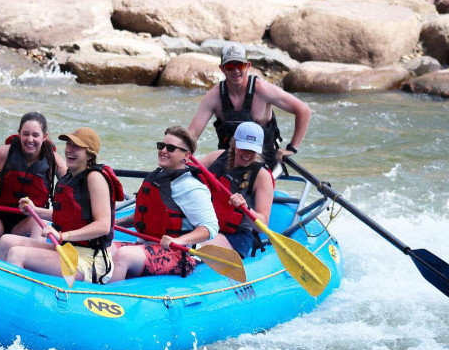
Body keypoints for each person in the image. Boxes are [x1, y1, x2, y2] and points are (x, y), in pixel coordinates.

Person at [0, 127, 123, 284]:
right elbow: (68, 216)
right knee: (6, 241)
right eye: (69, 144)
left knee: (17, 254)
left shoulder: (95, 178)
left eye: (76, 147)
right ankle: (1, 289)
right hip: (68, 249)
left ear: (89, 154)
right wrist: (35, 211)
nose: (69, 149)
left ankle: (14, 303)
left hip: (90, 260)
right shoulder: (71, 177)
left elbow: (103, 226)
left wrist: (62, 236)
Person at [109, 127, 218, 282]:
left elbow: (210, 228)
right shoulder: (158, 177)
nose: (163, 151)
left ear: (186, 155)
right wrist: (114, 223)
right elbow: (149, 215)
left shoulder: (192, 187)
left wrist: (178, 241)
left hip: (178, 254)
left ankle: (111, 300)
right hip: (147, 246)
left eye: (171, 148)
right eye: (161, 146)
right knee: (105, 248)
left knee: (123, 255)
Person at [187, 43, 311, 170]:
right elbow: (192, 134)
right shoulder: (213, 96)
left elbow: (304, 110)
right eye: (230, 66)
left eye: (240, 65)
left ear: (248, 66)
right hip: (228, 162)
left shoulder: (264, 90)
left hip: (263, 162)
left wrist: (292, 148)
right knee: (203, 165)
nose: (235, 71)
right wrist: (180, 154)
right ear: (222, 69)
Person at [0, 112, 67, 238]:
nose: (30, 139)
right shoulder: (3, 154)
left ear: (44, 137)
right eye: (26, 134)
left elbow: (73, 188)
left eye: (35, 135)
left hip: (29, 220)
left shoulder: (54, 162)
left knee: (41, 224)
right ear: (19, 134)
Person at [199, 121, 273, 259]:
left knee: (193, 244)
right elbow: (186, 175)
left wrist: (246, 208)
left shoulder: (262, 176)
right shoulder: (217, 157)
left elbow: (262, 227)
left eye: (252, 150)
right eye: (243, 148)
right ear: (234, 144)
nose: (247, 154)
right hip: (204, 224)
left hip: (235, 236)